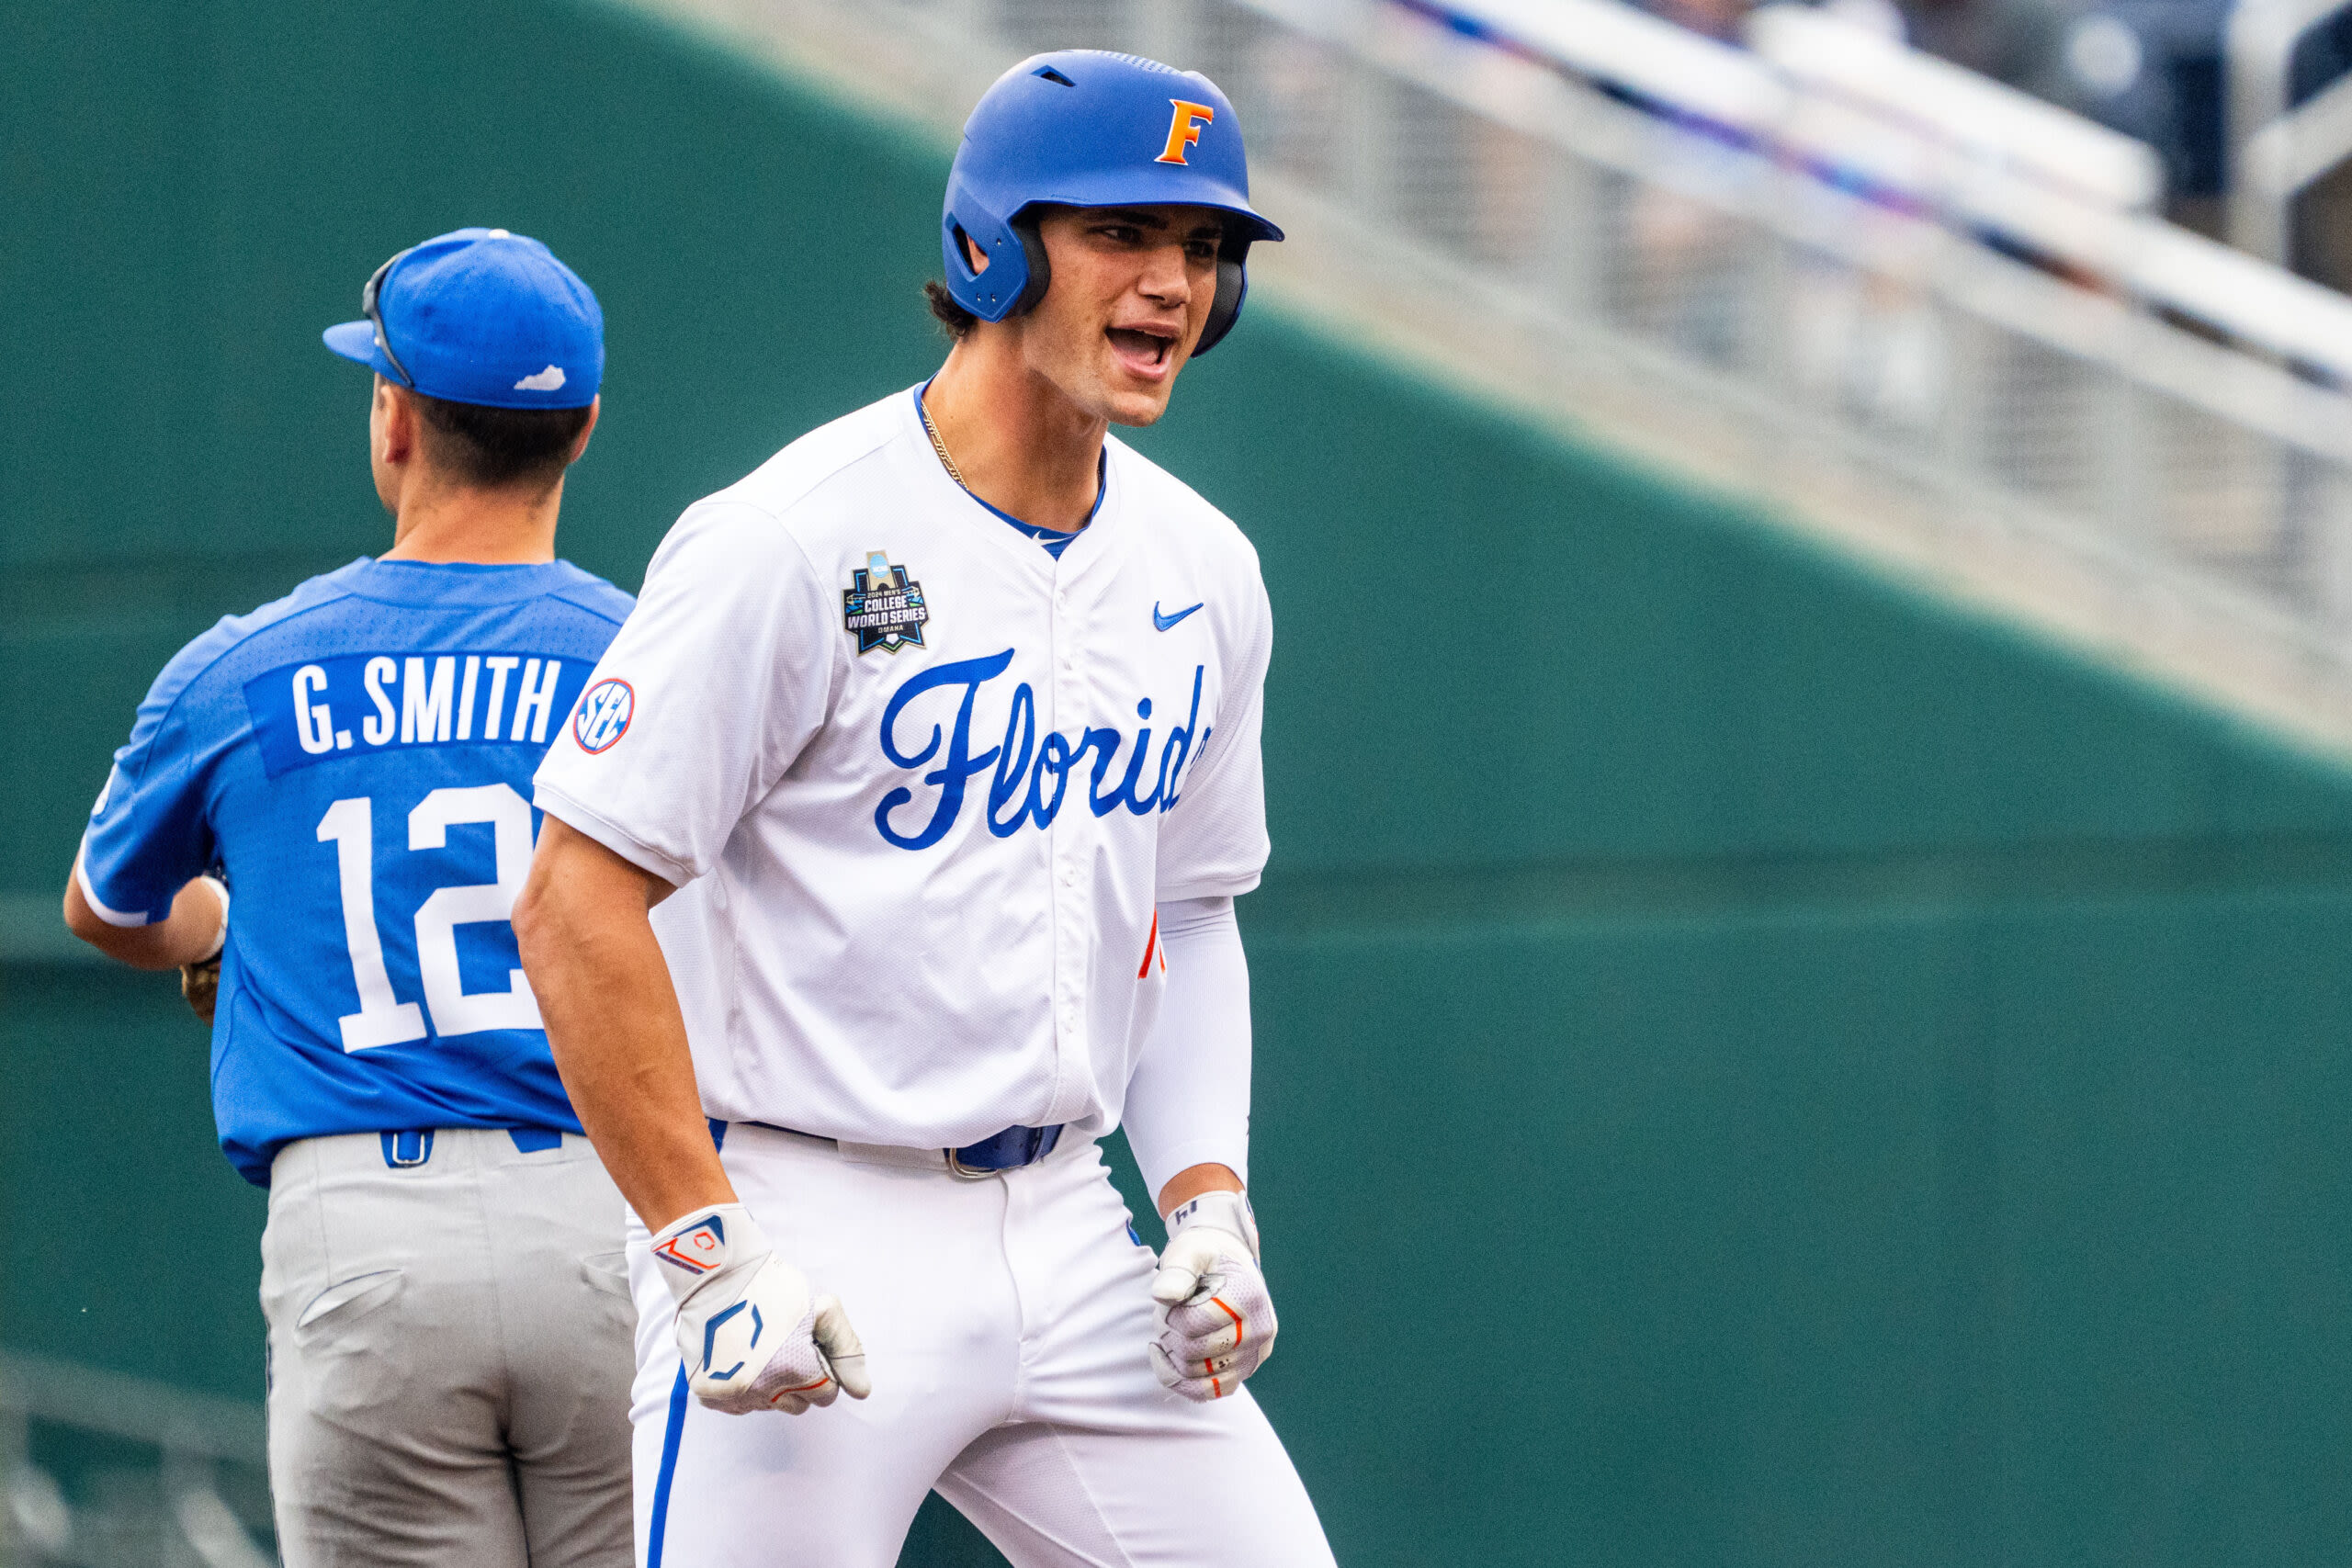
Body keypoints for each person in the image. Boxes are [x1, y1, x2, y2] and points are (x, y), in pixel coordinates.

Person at [514, 49, 1338, 1568]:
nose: (1173, 284)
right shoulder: (792, 534)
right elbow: (573, 902)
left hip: (1075, 1227)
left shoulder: (1203, 565)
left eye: (1205, 251)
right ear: (994, 245)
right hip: (806, 1214)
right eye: (1124, 235)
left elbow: (1198, 906)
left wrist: (1210, 1200)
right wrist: (706, 1251)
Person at [63, 228, 638, 1568]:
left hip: (370, 1236)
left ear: (393, 417)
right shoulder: (652, 653)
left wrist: (221, 926)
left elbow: (107, 905)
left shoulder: (240, 667)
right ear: (584, 427)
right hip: (618, 1215)